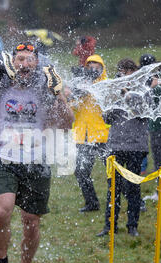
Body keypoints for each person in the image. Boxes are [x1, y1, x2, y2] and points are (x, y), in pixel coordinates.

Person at [0, 42, 73, 263]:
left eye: (29, 60)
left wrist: (58, 95)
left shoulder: (46, 89)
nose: (23, 65)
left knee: (31, 221)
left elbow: (68, 124)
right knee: (2, 212)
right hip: (3, 158)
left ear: (37, 64)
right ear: (11, 63)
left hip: (36, 160)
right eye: (19, 60)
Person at [97, 59, 149, 237]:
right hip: (116, 145)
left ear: (135, 72)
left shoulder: (144, 90)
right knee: (113, 187)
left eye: (129, 71)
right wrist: (112, 100)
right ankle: (109, 226)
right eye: (122, 71)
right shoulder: (114, 90)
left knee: (133, 187)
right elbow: (106, 118)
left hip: (136, 145)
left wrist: (128, 95)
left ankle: (132, 226)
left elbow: (143, 112)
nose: (125, 74)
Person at [67, 54, 109, 212]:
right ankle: (92, 203)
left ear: (102, 68)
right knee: (81, 172)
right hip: (83, 137)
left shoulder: (105, 85)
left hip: (104, 136)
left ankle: (134, 201)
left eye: (96, 66)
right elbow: (70, 109)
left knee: (114, 172)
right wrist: (76, 94)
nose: (93, 68)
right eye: (89, 65)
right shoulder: (80, 86)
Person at [139, 54, 161, 201]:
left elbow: (147, 102)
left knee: (159, 162)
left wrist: (150, 88)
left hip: (158, 128)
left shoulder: (157, 86)